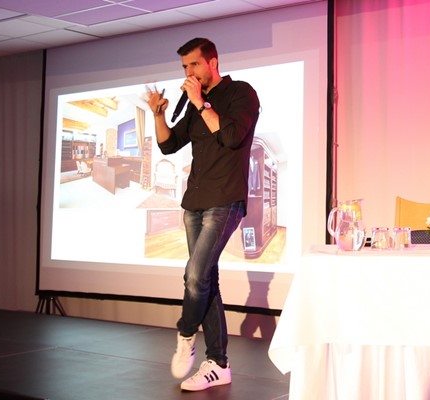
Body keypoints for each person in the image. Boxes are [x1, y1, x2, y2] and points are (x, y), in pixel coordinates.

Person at [146, 37, 260, 392]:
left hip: (225, 199)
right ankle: (218, 364)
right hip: (193, 202)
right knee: (206, 280)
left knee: (195, 275)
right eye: (184, 67)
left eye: (194, 64)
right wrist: (159, 114)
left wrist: (200, 102)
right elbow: (168, 144)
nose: (189, 72)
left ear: (213, 62)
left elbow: (232, 136)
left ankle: (185, 334)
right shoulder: (194, 106)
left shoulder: (241, 93)